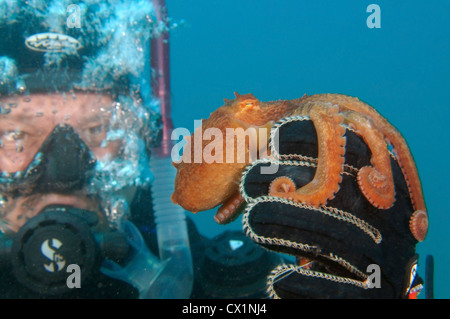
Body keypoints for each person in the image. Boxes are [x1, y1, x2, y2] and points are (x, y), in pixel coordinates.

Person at [0, 0, 278, 299]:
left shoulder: (207, 285)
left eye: (98, 130)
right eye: (16, 133)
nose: (64, 171)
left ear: (144, 141)